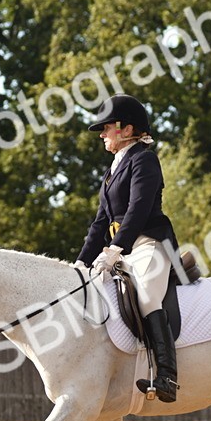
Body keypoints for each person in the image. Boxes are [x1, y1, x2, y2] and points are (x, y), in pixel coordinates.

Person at [75, 94, 180, 403]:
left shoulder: (144, 159)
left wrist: (114, 248)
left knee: (147, 295)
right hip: (122, 250)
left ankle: (167, 375)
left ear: (126, 129)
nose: (102, 135)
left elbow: (138, 209)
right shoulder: (112, 171)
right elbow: (100, 222)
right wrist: (81, 263)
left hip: (149, 244)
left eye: (106, 128)